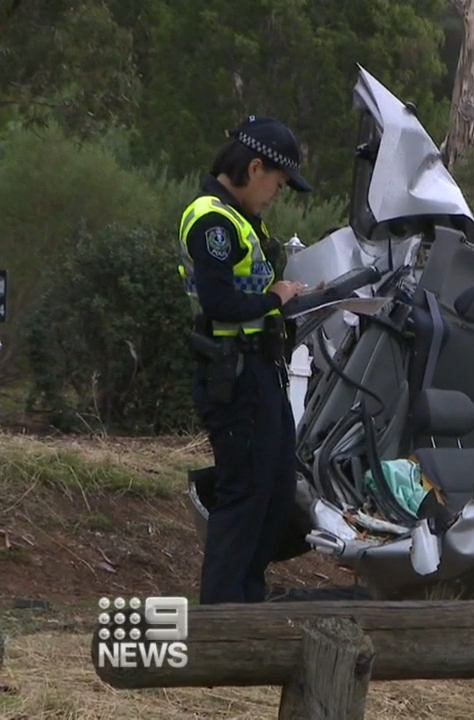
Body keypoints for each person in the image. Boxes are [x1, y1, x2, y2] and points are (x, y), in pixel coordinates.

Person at [177, 115, 311, 605]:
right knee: (244, 496)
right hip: (234, 374)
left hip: (261, 369)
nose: (278, 192)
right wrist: (274, 298)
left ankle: (248, 602)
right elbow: (219, 303)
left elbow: (251, 290)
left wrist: (293, 297)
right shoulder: (212, 219)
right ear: (256, 168)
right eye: (278, 182)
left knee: (276, 492)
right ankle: (222, 616)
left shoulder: (241, 217)